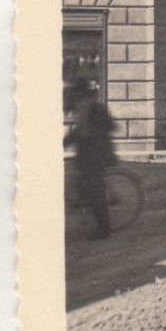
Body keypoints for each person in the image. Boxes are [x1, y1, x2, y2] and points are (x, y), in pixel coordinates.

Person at [64, 78, 116, 240]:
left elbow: (109, 126)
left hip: (96, 156)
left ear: (81, 91)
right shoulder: (83, 106)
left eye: (75, 91)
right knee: (80, 185)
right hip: (87, 156)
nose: (73, 94)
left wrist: (90, 134)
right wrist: (65, 142)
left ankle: (104, 230)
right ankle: (86, 217)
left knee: (97, 194)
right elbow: (80, 130)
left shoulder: (94, 107)